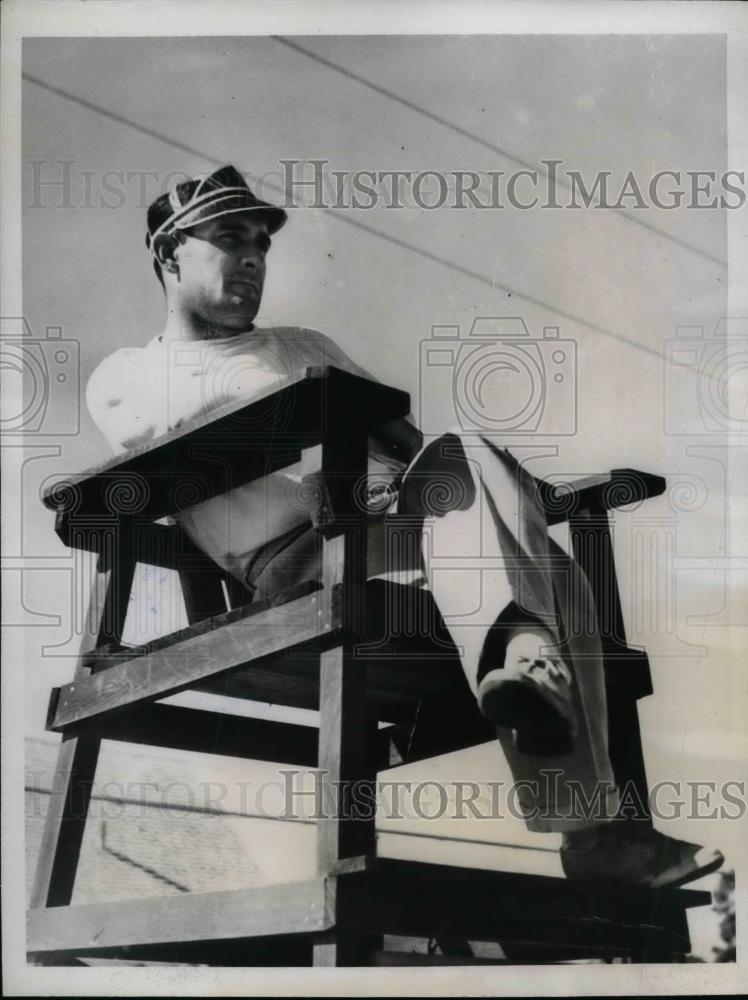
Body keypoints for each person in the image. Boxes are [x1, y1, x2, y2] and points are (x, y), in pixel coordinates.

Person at [87, 165, 723, 888]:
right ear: (169, 255)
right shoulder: (128, 371)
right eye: (230, 238)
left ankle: (524, 660)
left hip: (398, 534)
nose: (255, 257)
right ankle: (590, 829)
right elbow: (149, 428)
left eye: (262, 241)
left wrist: (436, 467)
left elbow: (412, 443)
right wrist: (309, 411)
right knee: (553, 576)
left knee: (470, 455)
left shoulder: (303, 344)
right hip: (302, 563)